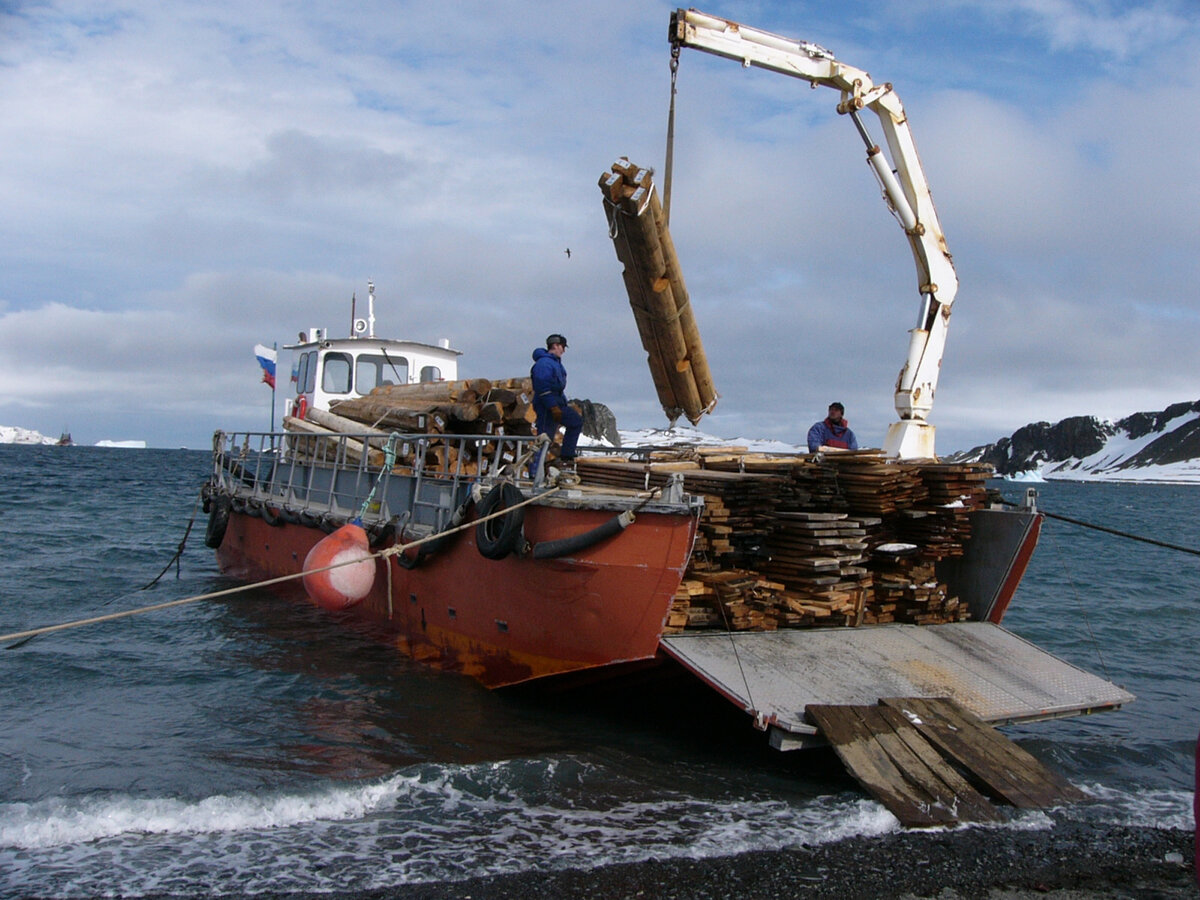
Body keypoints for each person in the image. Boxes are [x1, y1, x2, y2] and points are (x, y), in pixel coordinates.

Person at [531, 333, 583, 468]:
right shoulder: (544, 363)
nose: (563, 350)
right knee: (544, 438)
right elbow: (542, 387)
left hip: (557, 404)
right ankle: (534, 472)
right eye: (562, 347)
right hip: (546, 406)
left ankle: (567, 455)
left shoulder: (555, 363)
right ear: (555, 345)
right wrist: (553, 407)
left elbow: (558, 390)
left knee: (575, 422)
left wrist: (562, 405)